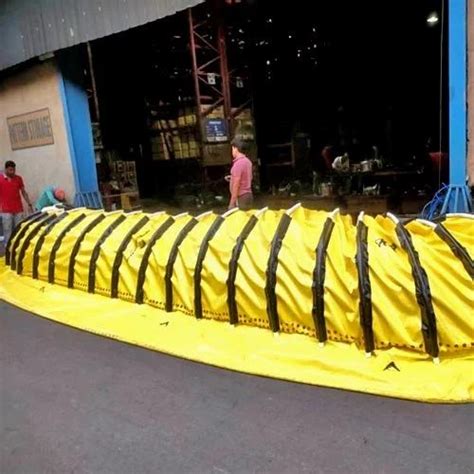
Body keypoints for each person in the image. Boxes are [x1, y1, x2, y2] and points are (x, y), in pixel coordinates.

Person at [0, 160, 33, 245]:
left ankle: (18, 246)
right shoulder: (0, 179)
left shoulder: (18, 178)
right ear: (6, 169)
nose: (12, 172)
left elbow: (23, 192)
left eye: (14, 170)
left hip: (18, 209)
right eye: (10, 170)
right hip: (6, 210)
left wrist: (29, 203)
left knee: (19, 229)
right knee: (7, 230)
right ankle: (8, 247)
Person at [226, 137, 253, 210]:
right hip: (249, 195)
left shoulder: (237, 164)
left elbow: (236, 184)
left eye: (232, 149)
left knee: (241, 220)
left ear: (235, 148)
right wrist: (232, 178)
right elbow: (248, 178)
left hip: (241, 197)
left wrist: (232, 202)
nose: (232, 151)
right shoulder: (248, 162)